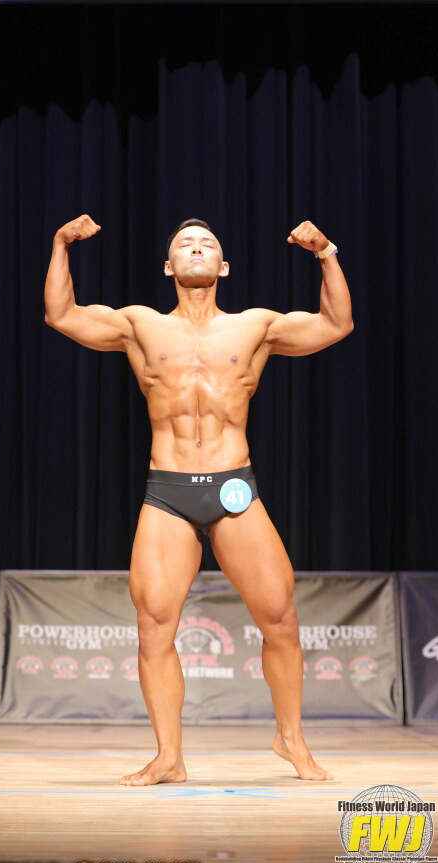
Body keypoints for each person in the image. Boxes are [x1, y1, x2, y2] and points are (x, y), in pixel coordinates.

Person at [44, 214, 353, 785]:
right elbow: (61, 314)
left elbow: (336, 324)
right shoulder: (139, 324)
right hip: (168, 491)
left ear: (223, 266)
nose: (195, 248)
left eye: (206, 243)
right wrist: (61, 244)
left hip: (234, 487)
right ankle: (169, 756)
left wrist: (325, 252)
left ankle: (290, 739)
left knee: (281, 619)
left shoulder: (255, 325)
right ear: (168, 266)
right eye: (184, 244)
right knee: (154, 625)